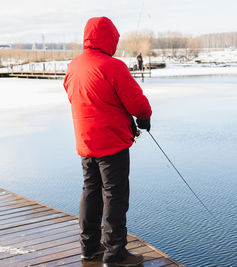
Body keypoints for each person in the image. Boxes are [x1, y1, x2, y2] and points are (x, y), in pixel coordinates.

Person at [63, 17, 152, 267]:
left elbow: (73, 96)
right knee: (115, 195)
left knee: (90, 191)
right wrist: (144, 118)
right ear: (110, 38)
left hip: (85, 141)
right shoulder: (113, 66)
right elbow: (136, 101)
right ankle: (115, 254)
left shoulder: (74, 66)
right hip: (111, 143)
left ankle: (89, 248)